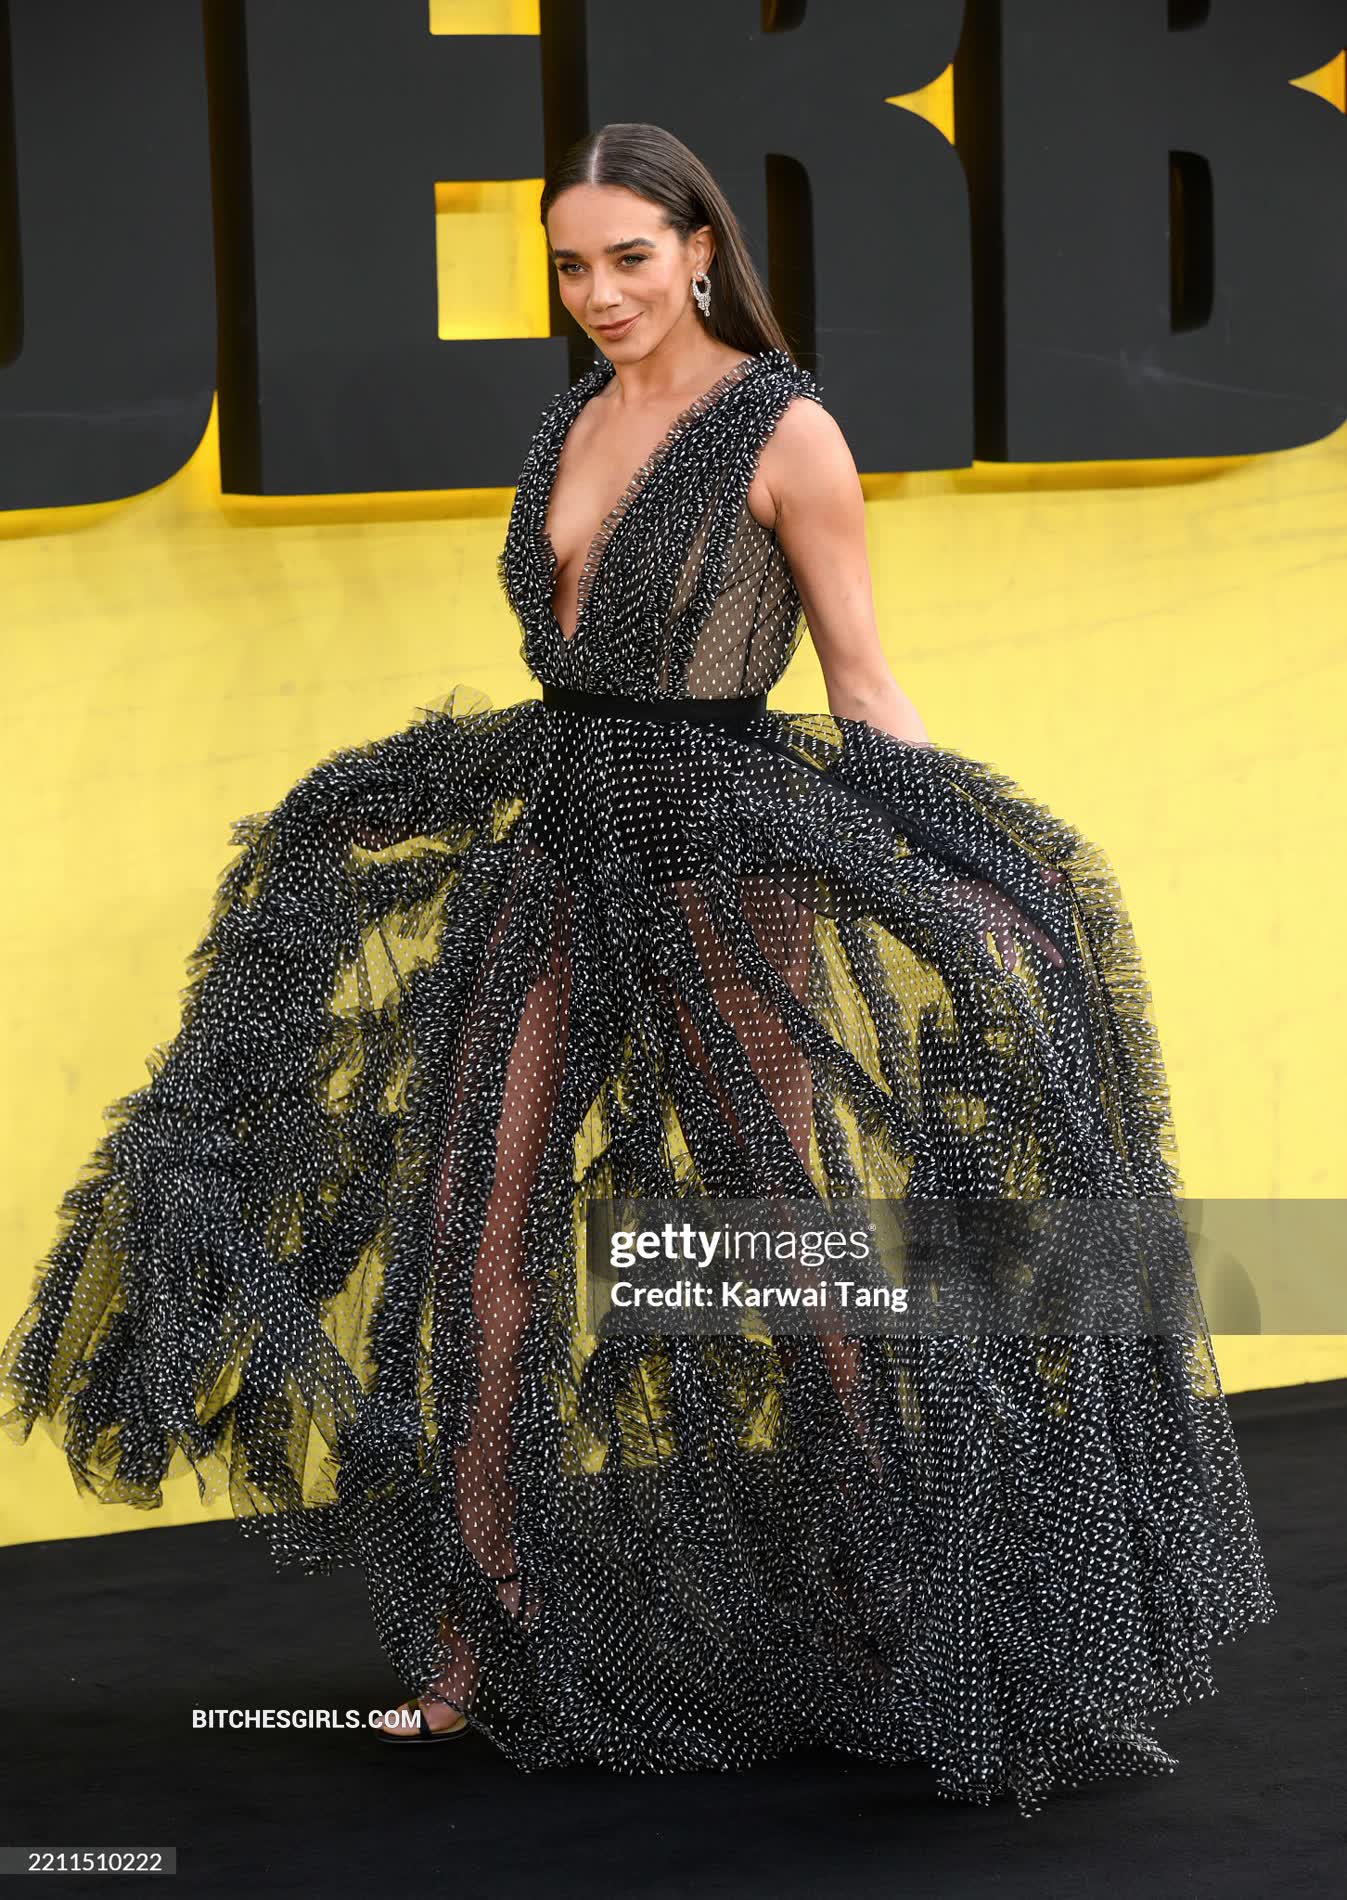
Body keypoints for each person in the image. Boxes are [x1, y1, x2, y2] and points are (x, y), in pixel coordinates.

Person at [0, 122, 1274, 1814]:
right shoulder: (573, 420)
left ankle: (911, 1611)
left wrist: (966, 866)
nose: (598, 292)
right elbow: (580, 650)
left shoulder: (785, 427)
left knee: (783, 1244)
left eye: (628, 257)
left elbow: (860, 679)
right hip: (559, 837)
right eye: (569, 265)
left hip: (724, 853)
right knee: (481, 1235)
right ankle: (479, 1642)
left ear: (699, 249)